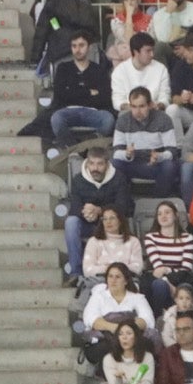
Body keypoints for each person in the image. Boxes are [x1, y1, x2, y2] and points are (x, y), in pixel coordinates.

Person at [64, 147, 133, 279]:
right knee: (71, 222)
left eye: (100, 164)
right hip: (87, 224)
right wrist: (88, 212)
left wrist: (100, 211)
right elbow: (75, 208)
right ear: (87, 163)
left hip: (112, 225)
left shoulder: (119, 178)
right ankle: (76, 272)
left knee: (119, 219)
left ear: (107, 164)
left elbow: (123, 207)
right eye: (92, 163)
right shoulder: (78, 180)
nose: (95, 168)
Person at [48, 30, 114, 146]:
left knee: (108, 120)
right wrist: (89, 92)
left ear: (89, 47)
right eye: (74, 46)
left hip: (94, 112)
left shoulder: (99, 70)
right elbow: (60, 95)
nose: (77, 50)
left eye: (81, 45)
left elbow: (105, 97)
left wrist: (73, 91)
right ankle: (75, 147)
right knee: (56, 119)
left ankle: (88, 142)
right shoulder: (63, 68)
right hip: (68, 111)